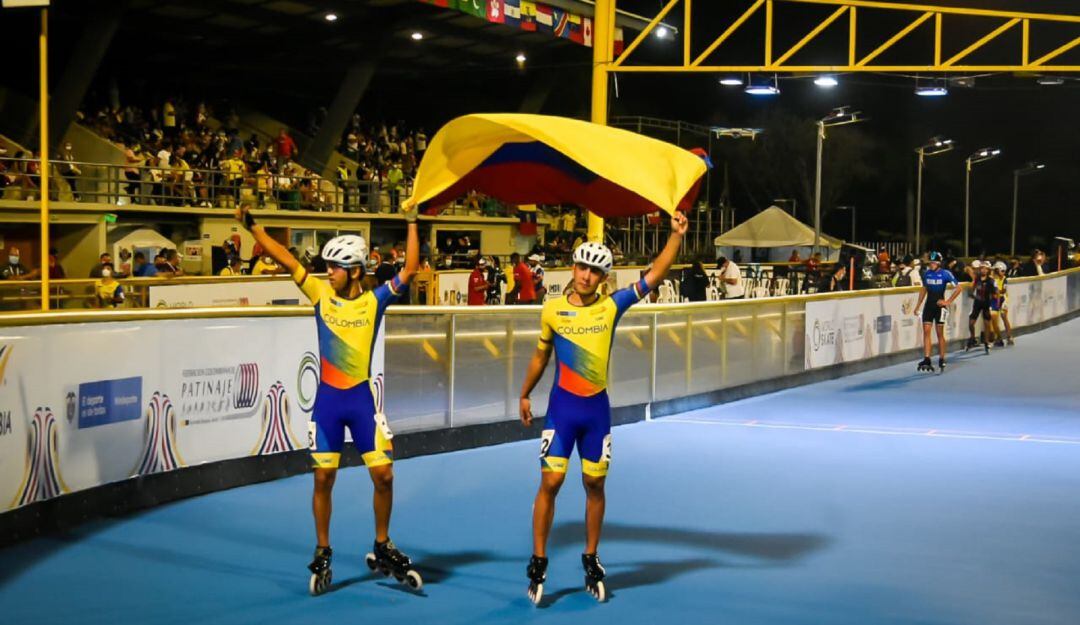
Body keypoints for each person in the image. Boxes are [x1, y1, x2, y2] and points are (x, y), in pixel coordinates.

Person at [236, 198, 421, 595]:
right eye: (327, 266)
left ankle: (383, 544)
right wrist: (255, 227)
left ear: (355, 271)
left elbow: (409, 269)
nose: (329, 272)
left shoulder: (376, 301)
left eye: (335, 267)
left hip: (360, 403)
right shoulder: (320, 293)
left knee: (385, 476)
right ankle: (323, 550)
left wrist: (410, 220)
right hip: (328, 404)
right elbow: (286, 260)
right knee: (323, 478)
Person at [519, 212, 689, 605]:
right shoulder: (552, 309)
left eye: (594, 272)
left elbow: (654, 276)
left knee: (594, 485)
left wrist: (676, 236)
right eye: (581, 267)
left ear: (603, 279)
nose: (585, 276)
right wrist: (525, 393)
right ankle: (539, 559)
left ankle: (591, 558)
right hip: (562, 409)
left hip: (596, 412)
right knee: (551, 483)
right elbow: (540, 357)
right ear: (572, 267)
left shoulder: (612, 307)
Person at [913, 251, 962, 372]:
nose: (931, 265)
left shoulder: (946, 274)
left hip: (940, 307)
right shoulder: (926, 274)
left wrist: (948, 301)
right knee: (926, 332)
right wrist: (918, 305)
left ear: (939, 263)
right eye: (930, 263)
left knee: (939, 333)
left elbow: (959, 288)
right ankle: (927, 358)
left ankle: (941, 357)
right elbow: (924, 289)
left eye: (934, 263)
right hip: (928, 306)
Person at [965, 260, 997, 354]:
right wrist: (973, 295)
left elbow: (996, 293)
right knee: (971, 323)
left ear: (988, 270)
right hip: (977, 303)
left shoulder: (991, 281)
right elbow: (971, 290)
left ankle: (986, 342)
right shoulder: (977, 279)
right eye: (981, 268)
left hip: (986, 303)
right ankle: (972, 337)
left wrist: (995, 303)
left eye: (985, 269)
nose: (983, 270)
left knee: (986, 324)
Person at [990, 261, 1014, 346]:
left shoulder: (1004, 279)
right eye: (1000, 271)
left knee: (1004, 317)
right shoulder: (991, 278)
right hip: (994, 300)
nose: (1002, 273)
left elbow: (1003, 290)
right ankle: (999, 338)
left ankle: (1009, 336)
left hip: (1003, 299)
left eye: (1003, 271)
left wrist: (995, 291)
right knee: (993, 318)